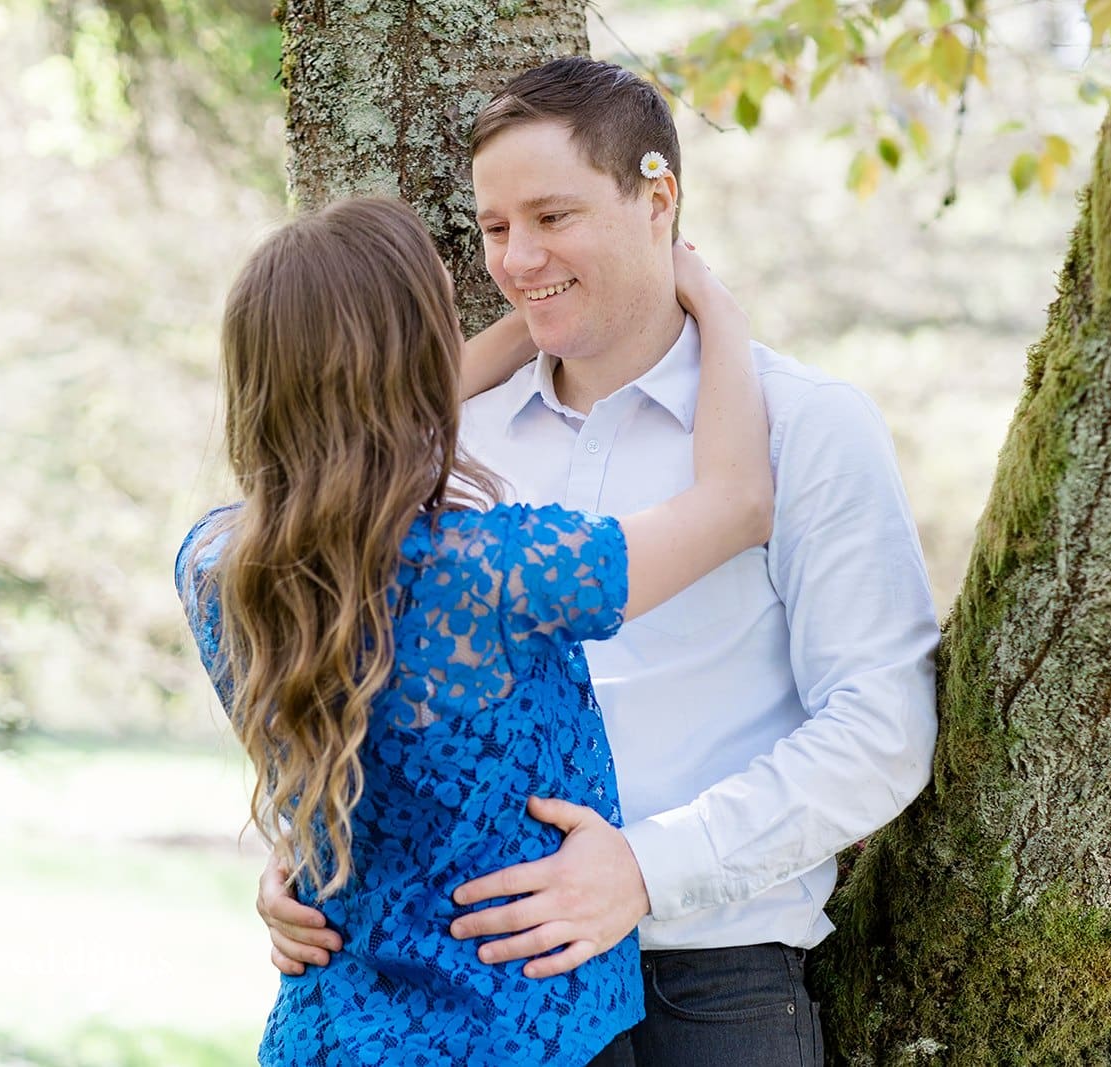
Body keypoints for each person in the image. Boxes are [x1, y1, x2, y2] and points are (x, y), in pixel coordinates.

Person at [257, 57, 941, 1065]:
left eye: (553, 216)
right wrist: (313, 849)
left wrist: (648, 868)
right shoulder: (442, 440)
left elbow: (880, 727)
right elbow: (361, 671)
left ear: (656, 198)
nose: (518, 257)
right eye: (494, 228)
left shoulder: (803, 425)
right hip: (469, 976)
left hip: (704, 976)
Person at [175, 195, 772, 1065]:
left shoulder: (214, 563)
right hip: (525, 1037)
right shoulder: (500, 567)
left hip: (327, 1033)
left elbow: (366, 417)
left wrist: (543, 316)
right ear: (419, 362)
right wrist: (715, 305)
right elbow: (737, 503)